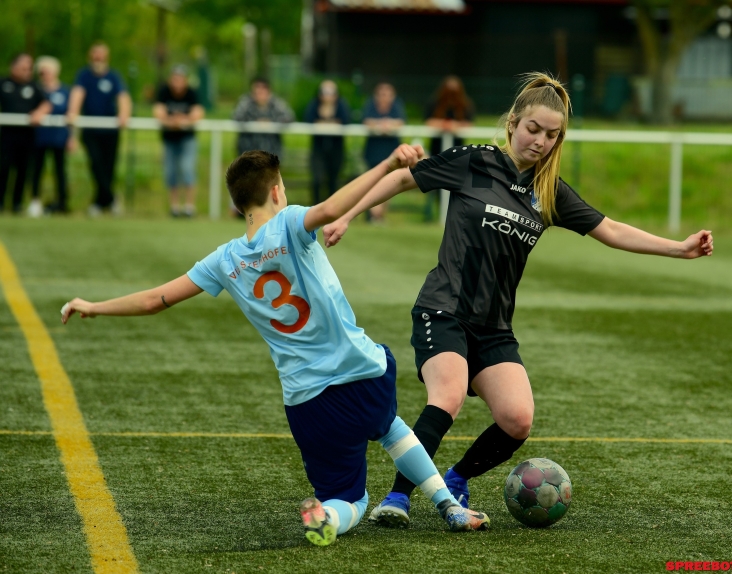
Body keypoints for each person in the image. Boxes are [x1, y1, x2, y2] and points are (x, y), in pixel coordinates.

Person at [323, 72, 714, 528]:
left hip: (493, 327)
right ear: (512, 123)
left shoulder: (549, 192)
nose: (541, 141)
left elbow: (611, 230)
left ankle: (455, 479)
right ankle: (397, 498)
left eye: (552, 135)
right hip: (443, 309)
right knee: (447, 397)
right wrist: (347, 215)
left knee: (517, 419)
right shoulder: (476, 161)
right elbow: (403, 180)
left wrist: (679, 248)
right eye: (534, 129)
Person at [60, 143, 490, 547]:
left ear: (236, 203)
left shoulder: (224, 259)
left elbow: (157, 300)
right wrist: (388, 165)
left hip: (305, 398)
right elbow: (332, 208)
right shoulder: (288, 223)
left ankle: (329, 517)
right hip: (362, 372)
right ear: (276, 190)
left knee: (348, 497)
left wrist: (95, 306)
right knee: (391, 427)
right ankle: (449, 505)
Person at [67, 42, 132, 216]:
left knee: (109, 167)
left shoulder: (113, 76)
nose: (98, 58)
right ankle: (111, 199)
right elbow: (77, 95)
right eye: (95, 54)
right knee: (96, 164)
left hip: (111, 130)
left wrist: (124, 114)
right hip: (90, 129)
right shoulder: (84, 75)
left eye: (101, 54)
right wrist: (72, 114)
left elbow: (123, 97)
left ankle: (99, 202)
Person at [0, 53, 50, 214]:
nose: (27, 71)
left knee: (23, 170)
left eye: (29, 68)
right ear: (14, 67)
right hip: (6, 135)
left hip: (27, 135)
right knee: (3, 169)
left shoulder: (34, 86)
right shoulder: (4, 83)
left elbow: (46, 104)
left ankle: (17, 203)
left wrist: (39, 113)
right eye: (24, 67)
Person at [154, 65, 205, 218]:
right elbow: (158, 112)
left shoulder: (191, 93)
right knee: (171, 172)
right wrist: (174, 122)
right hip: (169, 139)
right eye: (174, 78)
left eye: (180, 79)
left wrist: (182, 121)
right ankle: (174, 207)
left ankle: (189, 207)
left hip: (187, 139)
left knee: (187, 169)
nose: (177, 82)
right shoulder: (164, 91)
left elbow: (198, 113)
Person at [31, 56, 73, 216]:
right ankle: (35, 201)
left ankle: (62, 201)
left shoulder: (64, 91)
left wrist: (71, 137)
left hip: (59, 137)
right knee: (37, 170)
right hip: (39, 137)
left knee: (60, 170)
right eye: (42, 72)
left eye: (48, 72)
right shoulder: (36, 90)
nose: (46, 75)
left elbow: (70, 115)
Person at [362, 82, 406, 223]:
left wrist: (386, 125)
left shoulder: (397, 106)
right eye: (381, 94)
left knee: (389, 183)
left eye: (387, 94)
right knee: (372, 182)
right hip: (373, 151)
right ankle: (372, 215)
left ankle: (380, 216)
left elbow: (401, 122)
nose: (384, 97)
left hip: (391, 151)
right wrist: (382, 125)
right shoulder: (370, 105)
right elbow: (366, 121)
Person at [304, 80, 351, 204]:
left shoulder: (341, 105)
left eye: (331, 92)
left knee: (333, 181)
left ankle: (331, 210)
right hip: (318, 149)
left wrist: (324, 121)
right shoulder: (314, 104)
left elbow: (345, 121)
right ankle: (314, 209)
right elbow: (309, 120)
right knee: (317, 180)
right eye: (325, 92)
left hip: (336, 149)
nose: (328, 95)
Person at [233, 77, 295, 158]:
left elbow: (289, 117)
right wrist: (255, 123)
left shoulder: (276, 103)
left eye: (263, 88)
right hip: (247, 153)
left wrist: (271, 122)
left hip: (271, 153)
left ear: (269, 91)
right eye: (257, 88)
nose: (259, 91)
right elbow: (236, 117)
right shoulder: (245, 102)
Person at [425, 76, 475, 158]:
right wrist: (444, 124)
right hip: (436, 147)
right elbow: (428, 121)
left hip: (458, 148)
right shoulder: (435, 103)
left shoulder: (465, 105)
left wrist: (455, 125)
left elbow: (469, 123)